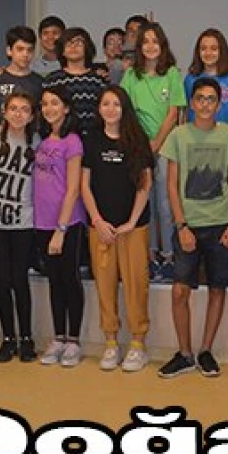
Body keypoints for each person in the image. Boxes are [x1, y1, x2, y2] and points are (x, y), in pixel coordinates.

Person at [157, 78, 228, 379]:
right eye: (200, 98)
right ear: (192, 103)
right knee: (180, 291)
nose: (205, 104)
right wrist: (181, 225)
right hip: (189, 225)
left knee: (217, 288)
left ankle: (206, 351)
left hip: (220, 224)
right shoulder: (178, 135)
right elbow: (171, 185)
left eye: (211, 99)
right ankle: (184, 353)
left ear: (219, 104)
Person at [81, 86, 155, 372]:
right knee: (105, 284)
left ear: (125, 108)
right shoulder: (91, 140)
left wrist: (132, 221)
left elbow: (145, 183)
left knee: (137, 284)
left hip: (133, 227)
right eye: (105, 104)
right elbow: (84, 185)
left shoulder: (137, 139)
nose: (110, 109)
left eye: (116, 104)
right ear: (99, 109)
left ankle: (138, 343)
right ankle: (110, 341)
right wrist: (97, 221)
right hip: (102, 228)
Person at [120, 22, 186, 283]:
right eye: (145, 41)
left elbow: (174, 112)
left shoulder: (171, 73)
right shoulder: (131, 76)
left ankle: (169, 256)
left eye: (155, 41)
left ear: (163, 45)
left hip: (166, 146)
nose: (150, 46)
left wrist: (157, 143)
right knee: (144, 202)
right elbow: (126, 110)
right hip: (138, 147)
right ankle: (149, 256)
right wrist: (142, 143)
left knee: (165, 203)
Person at [0, 92, 38, 363]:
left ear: (32, 115)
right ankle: (7, 338)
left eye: (24, 109)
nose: (18, 114)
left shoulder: (36, 141)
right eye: (13, 108)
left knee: (19, 279)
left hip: (23, 221)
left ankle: (26, 337)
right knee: (1, 280)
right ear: (4, 112)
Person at [34, 87, 87, 367]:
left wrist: (61, 229)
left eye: (55, 103)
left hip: (67, 223)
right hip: (42, 222)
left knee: (69, 279)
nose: (49, 108)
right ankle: (58, 337)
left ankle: (74, 340)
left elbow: (73, 188)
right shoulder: (42, 141)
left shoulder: (73, 141)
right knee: (54, 281)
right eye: (45, 103)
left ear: (66, 108)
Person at [44, 27, 108, 136]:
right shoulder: (52, 80)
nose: (73, 47)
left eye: (78, 43)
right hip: (61, 138)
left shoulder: (98, 80)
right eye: (68, 43)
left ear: (87, 48)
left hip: (93, 137)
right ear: (62, 51)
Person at [0, 26, 44, 132]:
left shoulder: (39, 82)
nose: (25, 54)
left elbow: (40, 115)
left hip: (29, 137)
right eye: (20, 49)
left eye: (30, 50)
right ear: (9, 51)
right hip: (0, 136)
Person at [183, 28, 228, 129]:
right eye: (203, 49)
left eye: (214, 49)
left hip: (224, 135)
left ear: (222, 51)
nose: (208, 53)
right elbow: (185, 112)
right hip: (195, 135)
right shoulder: (190, 80)